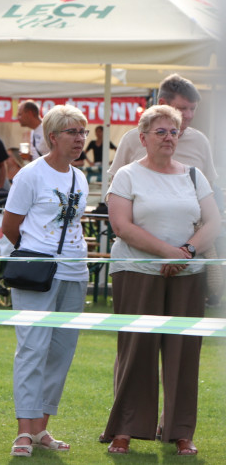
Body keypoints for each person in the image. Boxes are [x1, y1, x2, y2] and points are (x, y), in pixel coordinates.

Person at [101, 105, 219, 457]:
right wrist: (166, 252)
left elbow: (213, 222)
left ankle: (180, 430)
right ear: (143, 138)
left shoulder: (195, 176)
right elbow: (121, 226)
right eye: (161, 132)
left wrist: (185, 252)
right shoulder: (127, 175)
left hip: (188, 275)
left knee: (184, 354)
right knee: (137, 351)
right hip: (137, 272)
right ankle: (125, 429)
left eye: (173, 132)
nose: (168, 138)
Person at [1, 104, 90, 457]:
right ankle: (24, 430)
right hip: (38, 272)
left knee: (61, 352)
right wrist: (35, 255)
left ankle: (41, 429)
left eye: (82, 132)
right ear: (52, 136)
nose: (80, 139)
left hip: (76, 271)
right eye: (72, 132)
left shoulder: (79, 177)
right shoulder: (30, 175)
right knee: (33, 348)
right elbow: (10, 226)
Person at [108, 74, 216, 185]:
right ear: (162, 104)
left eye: (192, 108)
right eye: (182, 108)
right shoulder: (132, 139)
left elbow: (209, 188)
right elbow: (116, 186)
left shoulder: (200, 141)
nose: (189, 115)